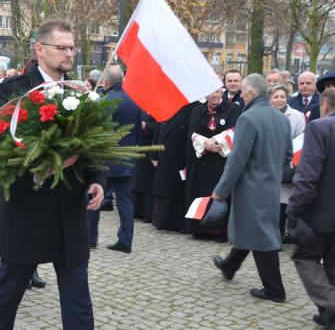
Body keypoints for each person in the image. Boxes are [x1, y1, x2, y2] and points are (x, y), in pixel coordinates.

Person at [0, 19, 105, 330]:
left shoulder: (79, 92)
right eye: (61, 47)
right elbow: (0, 150)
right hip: (27, 212)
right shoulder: (14, 90)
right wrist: (43, 169)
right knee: (8, 292)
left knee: (78, 296)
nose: (69, 54)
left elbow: (92, 146)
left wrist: (96, 181)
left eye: (72, 48)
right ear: (40, 49)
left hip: (70, 212)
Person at [211, 73, 292, 303]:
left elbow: (237, 160)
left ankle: (274, 289)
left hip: (250, 189)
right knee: (251, 228)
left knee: (261, 236)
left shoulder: (248, 118)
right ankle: (229, 266)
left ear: (250, 93)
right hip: (271, 186)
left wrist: (220, 190)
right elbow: (287, 157)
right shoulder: (281, 118)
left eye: (244, 93)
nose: (243, 96)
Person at [287, 87, 335, 330]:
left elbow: (308, 173)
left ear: (324, 105)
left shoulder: (319, 127)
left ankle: (331, 304)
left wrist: (294, 208)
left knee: (305, 257)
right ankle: (332, 317)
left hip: (320, 211)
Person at [88, 64, 140, 253]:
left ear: (106, 82)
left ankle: (90, 238)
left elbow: (97, 131)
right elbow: (137, 131)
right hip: (127, 158)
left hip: (106, 158)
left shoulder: (104, 100)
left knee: (96, 198)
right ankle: (125, 241)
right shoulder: (133, 100)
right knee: (125, 201)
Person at [185, 87, 238, 241]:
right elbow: (193, 133)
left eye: (217, 91)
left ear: (222, 92)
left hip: (222, 159)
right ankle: (199, 228)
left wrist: (216, 141)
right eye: (210, 92)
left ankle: (219, 230)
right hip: (202, 159)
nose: (214, 95)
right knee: (200, 192)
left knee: (219, 193)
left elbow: (234, 130)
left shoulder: (233, 109)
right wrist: (207, 144)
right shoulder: (197, 110)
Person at [150, 102, 198, 232]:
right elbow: (158, 129)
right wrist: (154, 153)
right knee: (163, 188)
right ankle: (161, 220)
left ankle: (178, 223)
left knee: (179, 190)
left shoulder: (195, 107)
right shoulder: (166, 103)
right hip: (164, 153)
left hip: (182, 154)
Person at [268, 84, 305, 242]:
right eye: (275, 96)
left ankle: (287, 232)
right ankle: (273, 232)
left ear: (287, 97)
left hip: (288, 162)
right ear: (270, 98)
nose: (279, 100)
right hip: (269, 161)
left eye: (282, 96)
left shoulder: (297, 115)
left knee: (285, 199)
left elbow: (301, 138)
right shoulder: (265, 115)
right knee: (271, 200)